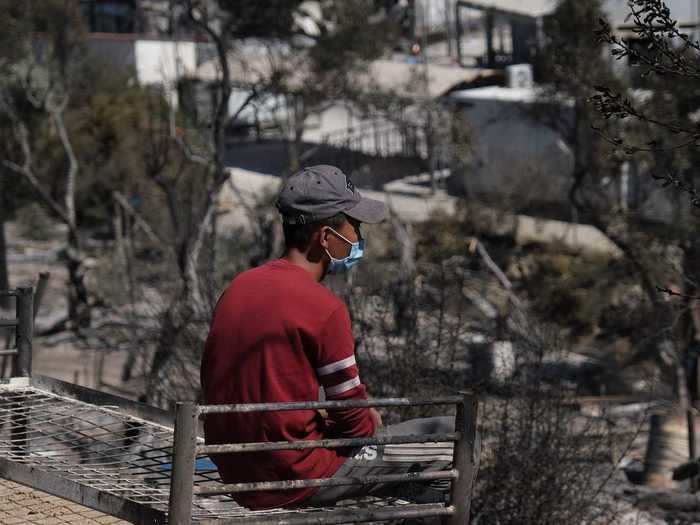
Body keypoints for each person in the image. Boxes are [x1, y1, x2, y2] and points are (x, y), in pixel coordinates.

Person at [201, 165, 466, 510]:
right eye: (354, 226)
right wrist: (367, 418)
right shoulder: (324, 308)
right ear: (326, 238)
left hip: (238, 468)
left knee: (420, 434)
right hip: (293, 476)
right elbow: (355, 423)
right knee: (451, 437)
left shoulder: (239, 287)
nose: (358, 237)